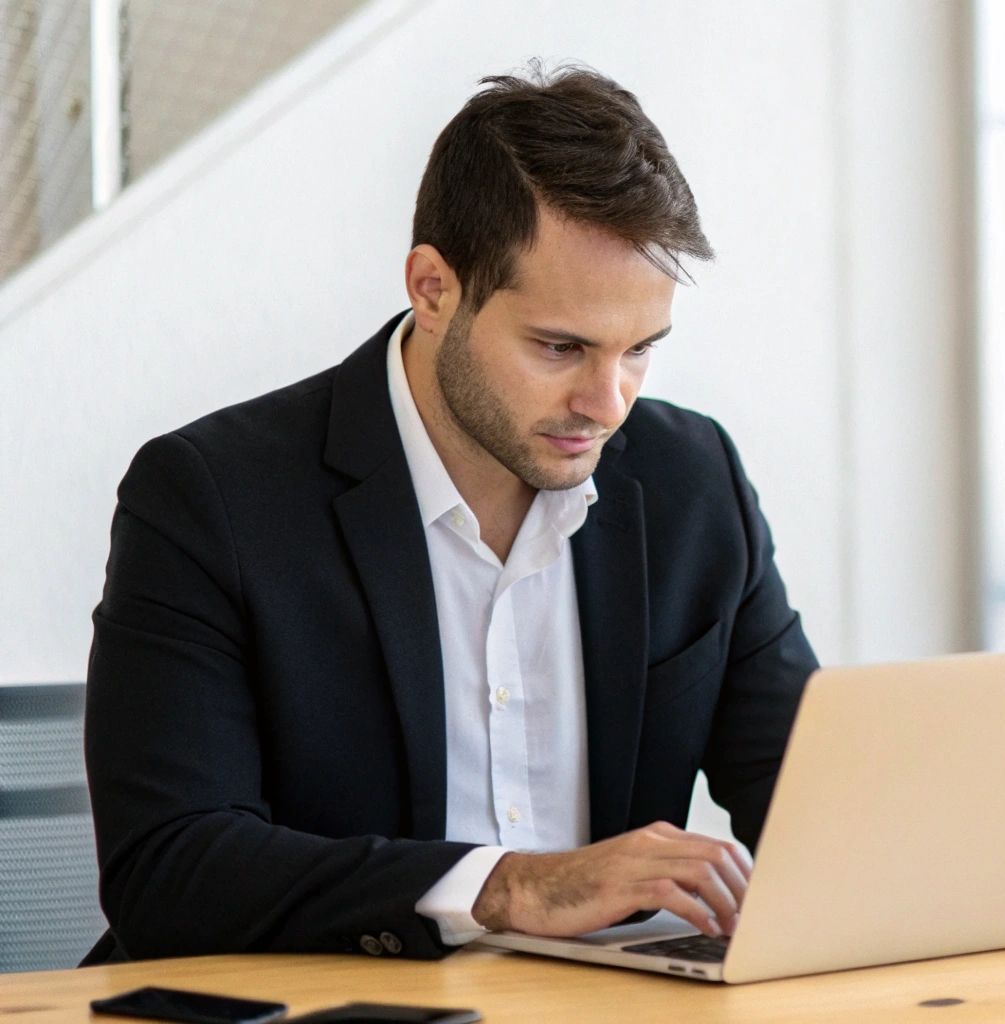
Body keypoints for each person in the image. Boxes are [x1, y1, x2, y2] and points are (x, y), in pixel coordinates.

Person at [80, 64, 816, 964]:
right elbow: (170, 869)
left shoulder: (691, 481)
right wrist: (507, 886)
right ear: (433, 288)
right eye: (561, 347)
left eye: (640, 352)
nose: (608, 402)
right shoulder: (212, 498)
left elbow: (813, 806)